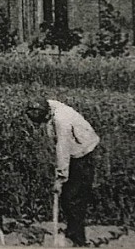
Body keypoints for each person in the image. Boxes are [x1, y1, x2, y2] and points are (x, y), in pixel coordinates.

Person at [26, 98, 100, 247]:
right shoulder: (47, 106)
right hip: (74, 152)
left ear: (45, 114)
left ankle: (78, 240)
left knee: (73, 198)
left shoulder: (61, 121)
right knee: (69, 197)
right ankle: (73, 232)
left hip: (83, 154)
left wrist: (60, 178)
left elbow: (63, 149)